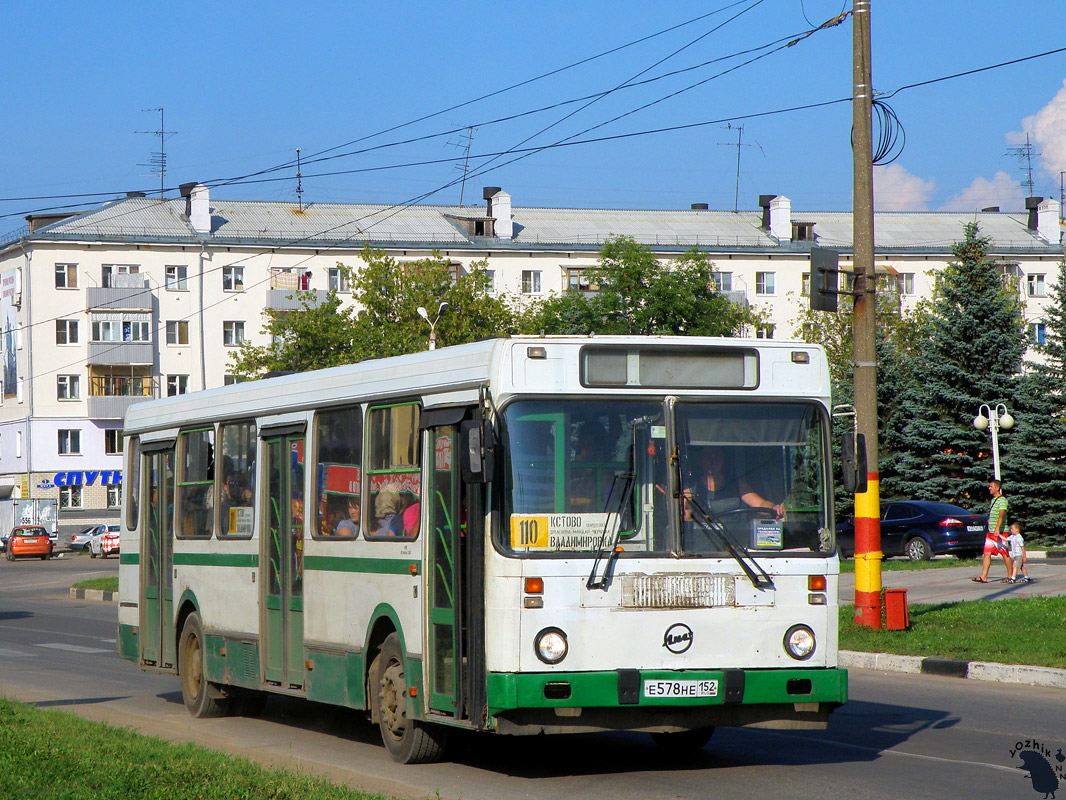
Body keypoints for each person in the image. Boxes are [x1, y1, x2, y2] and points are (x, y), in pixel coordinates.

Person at [682, 446, 785, 521]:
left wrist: (773, 508)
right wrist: (691, 516)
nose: (712, 461)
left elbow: (760, 504)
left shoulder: (737, 485)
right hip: (702, 541)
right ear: (700, 460)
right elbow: (685, 514)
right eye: (708, 457)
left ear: (723, 459)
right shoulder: (690, 487)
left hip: (735, 540)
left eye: (716, 457)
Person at [973, 479, 1012, 583]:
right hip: (990, 533)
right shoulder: (993, 500)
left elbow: (1001, 515)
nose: (989, 488)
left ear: (997, 488)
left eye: (991, 486)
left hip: (1000, 532)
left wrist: (997, 529)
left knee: (1004, 554)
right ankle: (983, 577)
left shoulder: (1002, 500)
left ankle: (1010, 576)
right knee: (986, 553)